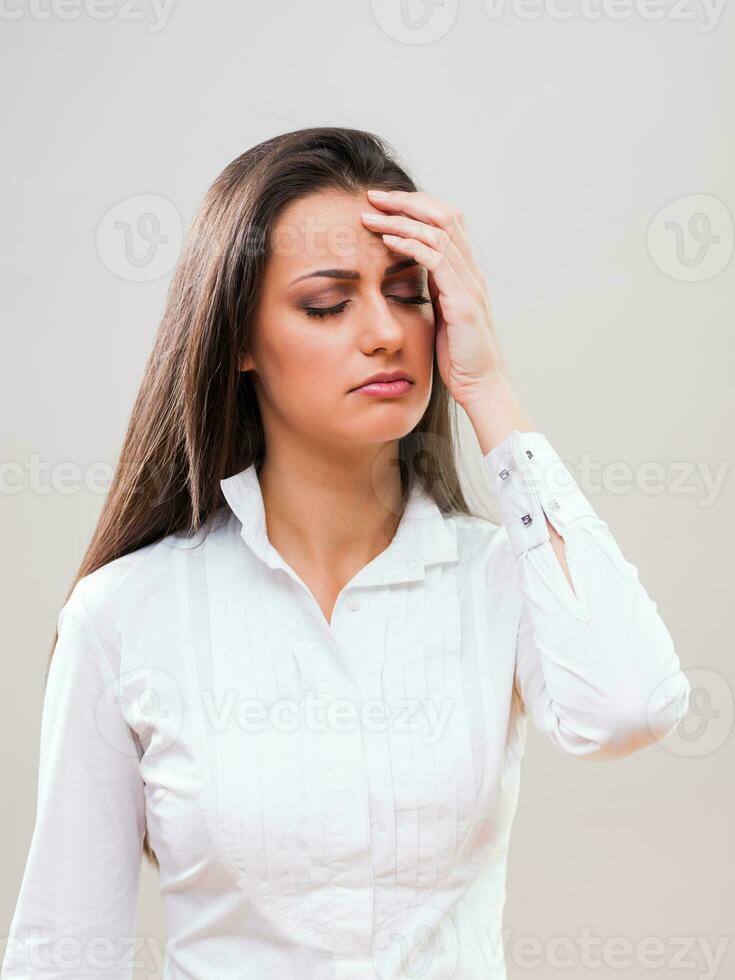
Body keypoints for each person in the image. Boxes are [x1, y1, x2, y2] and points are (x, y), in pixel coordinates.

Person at [1, 127, 691, 980]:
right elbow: (64, 953)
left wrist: (488, 388)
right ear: (240, 342)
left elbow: (629, 705)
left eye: (409, 294)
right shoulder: (123, 614)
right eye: (327, 305)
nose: (383, 333)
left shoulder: (500, 576)